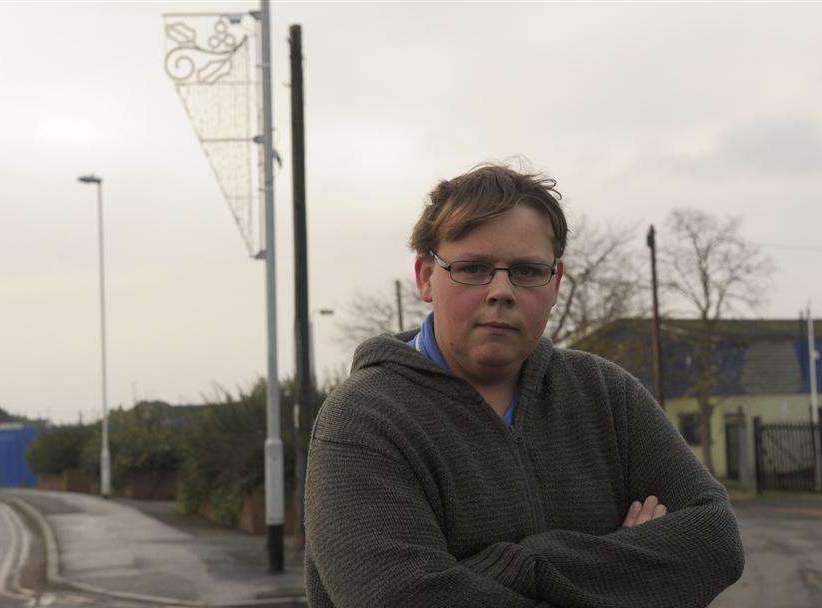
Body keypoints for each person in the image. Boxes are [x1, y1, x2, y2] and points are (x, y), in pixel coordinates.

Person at [304, 164, 744, 608]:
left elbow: (715, 540)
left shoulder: (607, 395)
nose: (501, 290)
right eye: (472, 268)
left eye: (527, 271)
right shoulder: (364, 419)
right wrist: (629, 570)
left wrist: (520, 565)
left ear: (555, 282)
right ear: (425, 277)